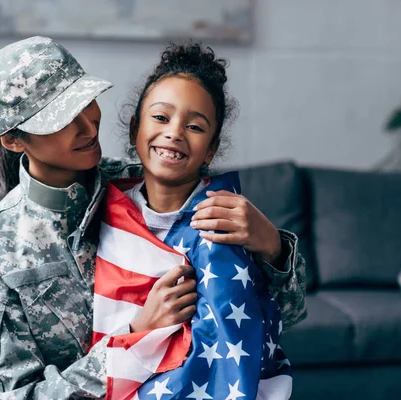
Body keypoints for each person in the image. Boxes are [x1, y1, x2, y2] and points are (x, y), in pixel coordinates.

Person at [0, 36, 306, 400]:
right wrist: (136, 337)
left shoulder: (145, 183)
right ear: (14, 141)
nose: (89, 128)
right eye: (59, 120)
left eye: (85, 102)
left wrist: (273, 247)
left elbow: (280, 316)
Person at [91, 42, 294, 399]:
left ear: (211, 149)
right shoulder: (96, 201)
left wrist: (274, 246)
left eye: (196, 127)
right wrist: (142, 327)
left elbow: (266, 319)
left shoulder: (225, 219)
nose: (175, 132)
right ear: (134, 129)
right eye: (160, 117)